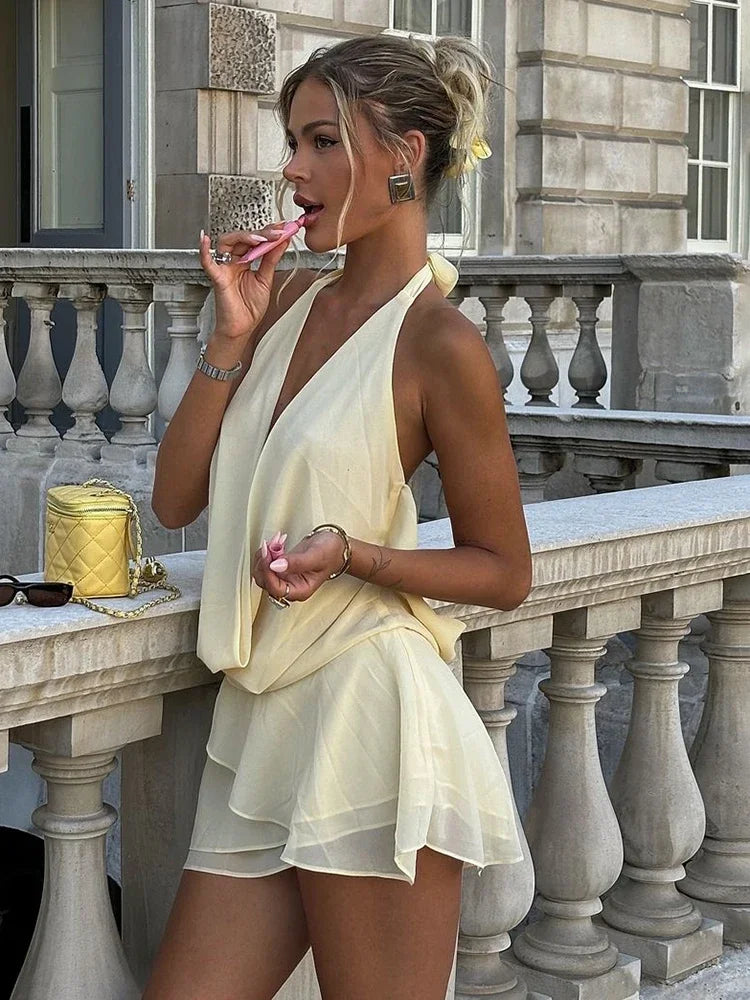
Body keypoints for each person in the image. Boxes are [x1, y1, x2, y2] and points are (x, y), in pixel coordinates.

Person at [146, 30, 532, 1000]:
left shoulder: (439, 342)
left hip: (369, 717)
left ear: (404, 155)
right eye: (293, 142)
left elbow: (504, 569)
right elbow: (176, 497)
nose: (292, 169)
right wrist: (230, 336)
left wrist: (353, 553)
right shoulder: (283, 304)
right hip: (263, 720)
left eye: (323, 142)